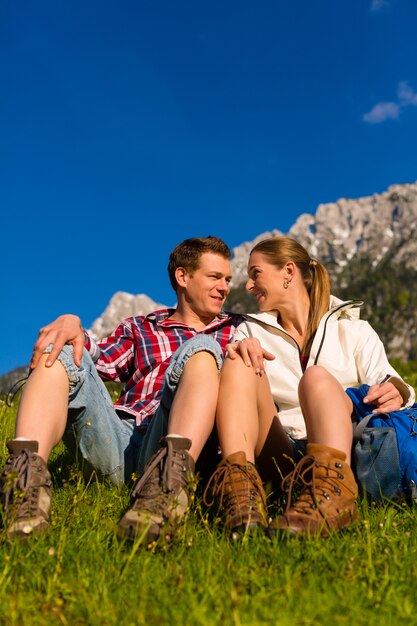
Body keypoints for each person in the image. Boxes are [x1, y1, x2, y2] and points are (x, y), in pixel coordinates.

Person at [0, 236, 262, 542]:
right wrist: (71, 324)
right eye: (215, 277)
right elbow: (97, 360)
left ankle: (167, 491)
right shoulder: (141, 327)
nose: (225, 287)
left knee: (202, 349)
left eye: (228, 279)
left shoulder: (240, 328)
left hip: (173, 443)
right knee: (61, 348)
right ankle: (24, 488)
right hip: (120, 443)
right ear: (183, 277)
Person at [204, 235, 415, 537]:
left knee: (315, 376)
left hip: (345, 449)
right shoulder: (250, 329)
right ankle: (241, 491)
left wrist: (399, 388)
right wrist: (240, 348)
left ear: (288, 272)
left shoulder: (353, 330)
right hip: (284, 450)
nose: (248, 286)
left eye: (255, 274)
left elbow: (389, 380)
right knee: (239, 360)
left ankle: (332, 491)